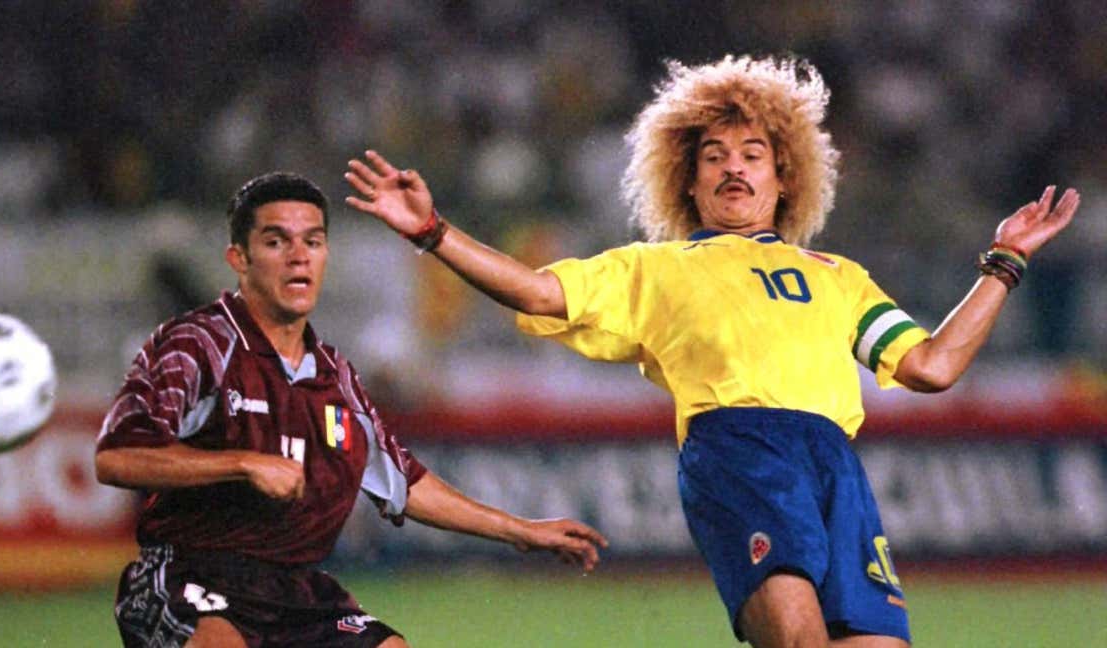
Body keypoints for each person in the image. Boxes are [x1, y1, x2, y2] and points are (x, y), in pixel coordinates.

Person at [343, 54, 1080, 648]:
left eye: (753, 154)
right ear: (687, 183)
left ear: (784, 174)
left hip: (835, 466)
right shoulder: (657, 269)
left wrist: (1002, 265)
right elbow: (538, 293)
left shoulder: (841, 279)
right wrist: (433, 232)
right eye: (715, 156)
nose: (734, 168)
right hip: (739, 451)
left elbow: (932, 366)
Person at [95, 172, 607, 648]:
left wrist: (521, 530)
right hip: (187, 576)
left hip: (292, 592)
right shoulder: (197, 344)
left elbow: (404, 483)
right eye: (277, 242)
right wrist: (242, 463)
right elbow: (117, 457)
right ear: (239, 259)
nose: (299, 257)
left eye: (312, 242)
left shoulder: (334, 375)